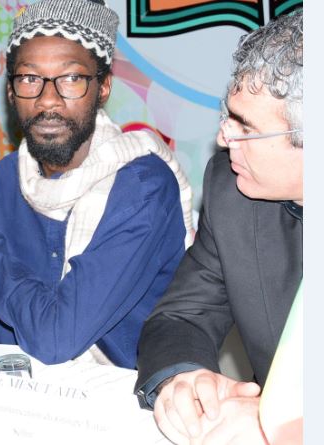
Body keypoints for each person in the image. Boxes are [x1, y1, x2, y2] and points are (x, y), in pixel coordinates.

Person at [0, 0, 194, 369]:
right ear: (10, 92)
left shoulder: (141, 187)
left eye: (71, 79)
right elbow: (24, 322)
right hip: (45, 390)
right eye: (30, 79)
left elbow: (56, 338)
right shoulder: (8, 179)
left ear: (103, 87)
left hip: (135, 391)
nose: (48, 100)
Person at [133, 11, 302, 444]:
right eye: (229, 116)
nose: (224, 138)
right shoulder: (233, 191)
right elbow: (182, 316)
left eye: (246, 127)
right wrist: (185, 378)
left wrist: (281, 426)